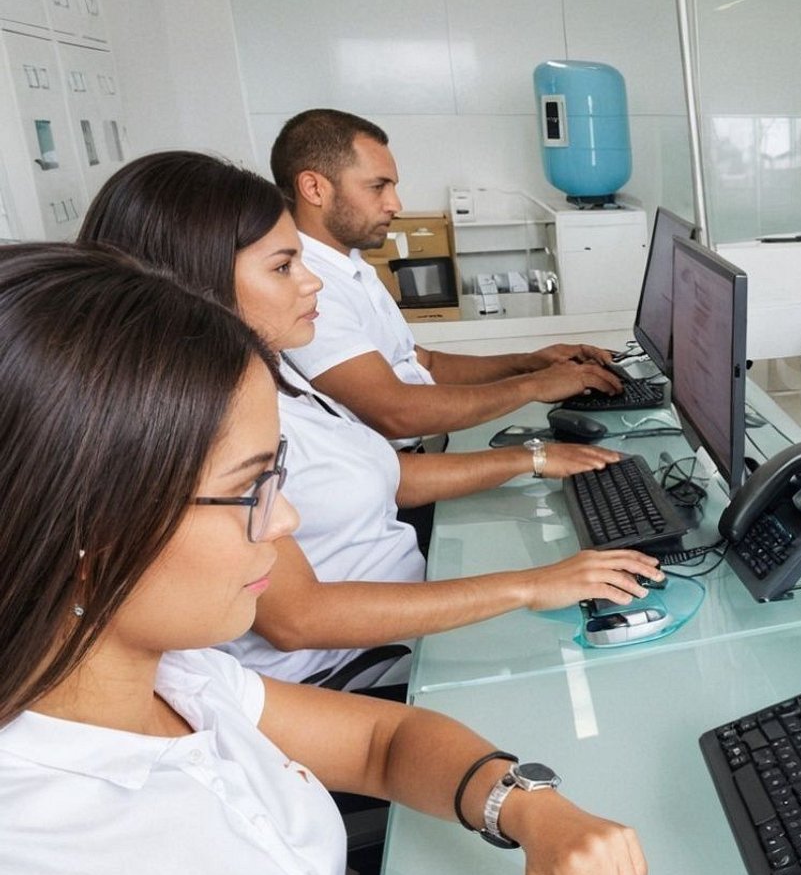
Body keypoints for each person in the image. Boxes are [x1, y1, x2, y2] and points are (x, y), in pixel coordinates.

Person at [0, 245, 801, 875]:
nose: (284, 520)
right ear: (92, 533)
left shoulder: (175, 681)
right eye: (251, 488)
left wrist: (526, 805)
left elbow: (382, 742)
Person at [79, 152, 663, 690]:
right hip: (349, 668)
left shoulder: (274, 379)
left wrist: (532, 459)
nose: (311, 281)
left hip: (402, 616)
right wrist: (528, 586)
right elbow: (297, 619)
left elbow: (384, 471)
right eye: (283, 267)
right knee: (611, 667)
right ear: (193, 282)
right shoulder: (204, 427)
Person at [271, 108, 625, 442]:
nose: (395, 204)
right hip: (396, 470)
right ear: (314, 188)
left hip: (420, 449)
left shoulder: (349, 264)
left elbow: (424, 364)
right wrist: (533, 386)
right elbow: (395, 413)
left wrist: (529, 363)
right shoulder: (307, 286)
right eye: (378, 186)